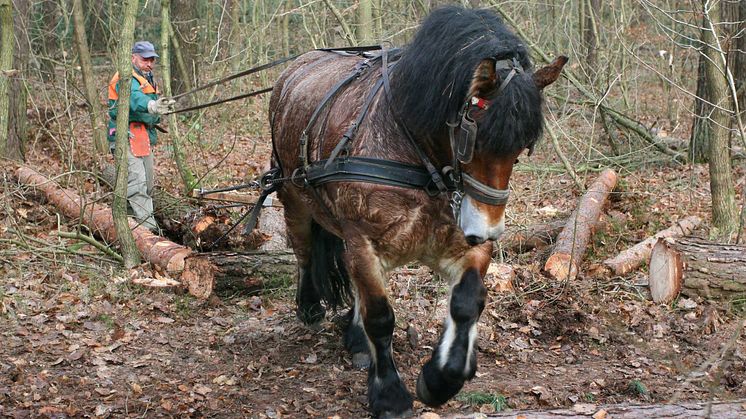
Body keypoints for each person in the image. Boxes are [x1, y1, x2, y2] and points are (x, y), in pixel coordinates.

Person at [107, 41, 175, 233]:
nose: (149, 63)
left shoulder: (146, 77)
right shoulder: (124, 77)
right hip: (125, 138)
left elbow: (148, 106)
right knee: (137, 185)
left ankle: (129, 229)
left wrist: (160, 108)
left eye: (152, 59)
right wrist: (152, 106)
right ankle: (151, 233)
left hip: (142, 138)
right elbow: (135, 100)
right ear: (133, 58)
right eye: (145, 59)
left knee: (148, 187)